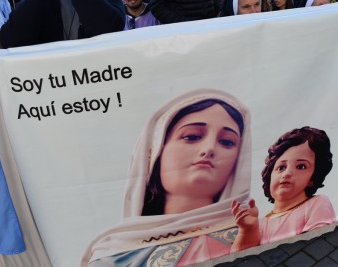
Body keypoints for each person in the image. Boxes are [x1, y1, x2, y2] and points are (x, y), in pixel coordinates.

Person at [83, 90, 257, 265]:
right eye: (192, 136)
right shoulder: (114, 252)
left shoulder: (253, 233)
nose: (209, 148)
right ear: (157, 151)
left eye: (227, 142)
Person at [258, 127, 336, 244]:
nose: (287, 173)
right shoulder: (260, 223)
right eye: (281, 167)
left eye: (301, 166)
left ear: (313, 177)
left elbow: (320, 244)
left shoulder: (316, 204)